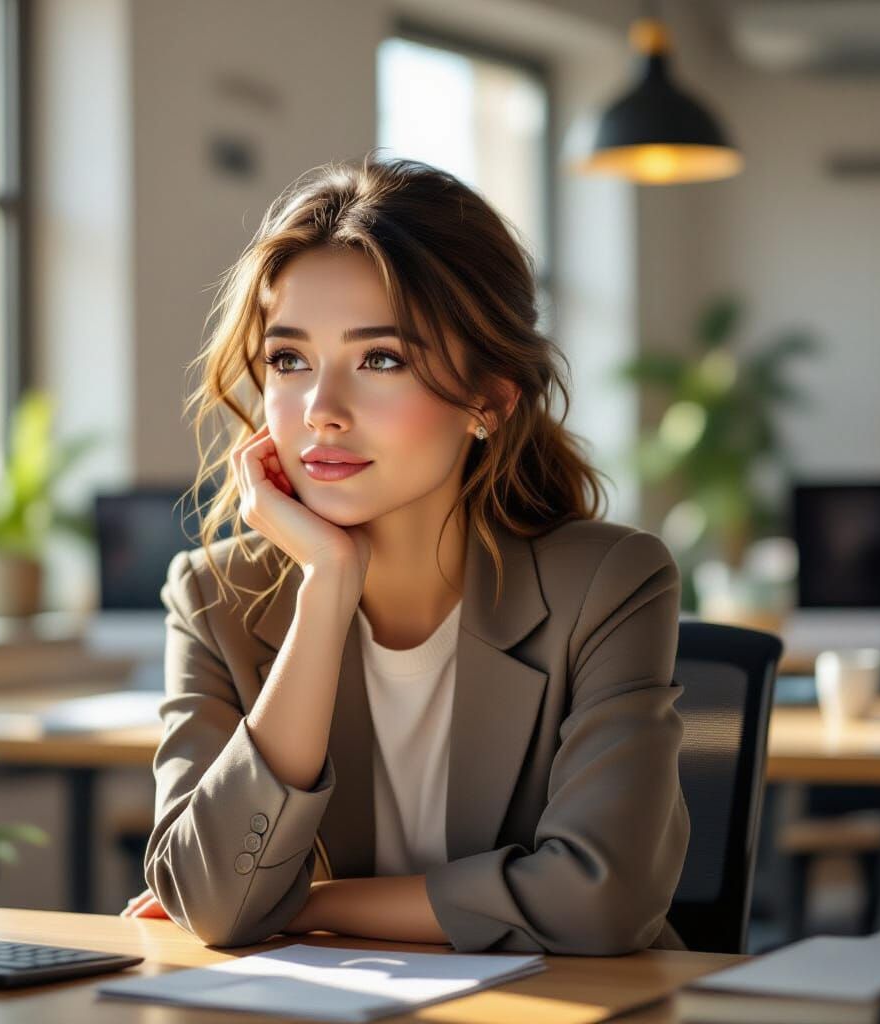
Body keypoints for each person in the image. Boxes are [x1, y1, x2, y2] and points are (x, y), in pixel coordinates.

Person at [121, 152, 690, 954]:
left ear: (488, 400)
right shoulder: (215, 596)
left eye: (379, 359)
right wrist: (326, 588)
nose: (321, 410)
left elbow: (600, 900)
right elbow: (214, 903)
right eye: (289, 360)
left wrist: (313, 902)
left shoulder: (609, 583)